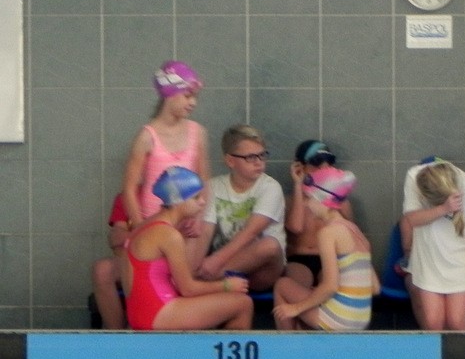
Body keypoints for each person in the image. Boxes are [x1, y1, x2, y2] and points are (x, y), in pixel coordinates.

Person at [123, 166, 252, 331]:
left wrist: (185, 237)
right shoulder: (168, 235)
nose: (202, 202)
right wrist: (226, 286)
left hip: (140, 313)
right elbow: (188, 289)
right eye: (196, 197)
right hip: (158, 311)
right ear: (178, 201)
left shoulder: (146, 226)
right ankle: (221, 350)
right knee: (243, 303)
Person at [272, 166, 378, 331]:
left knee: (282, 285)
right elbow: (375, 287)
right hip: (361, 320)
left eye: (309, 198)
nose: (307, 204)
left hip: (340, 320)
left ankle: (288, 344)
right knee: (312, 297)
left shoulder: (328, 232)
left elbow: (330, 286)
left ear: (323, 199)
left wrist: (295, 308)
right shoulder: (356, 232)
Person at [401, 158, 465, 330]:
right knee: (433, 322)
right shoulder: (414, 177)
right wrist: (443, 209)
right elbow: (412, 219)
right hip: (428, 261)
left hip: (459, 263)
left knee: (457, 321)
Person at [195, 124, 286, 292]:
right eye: (250, 157)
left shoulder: (270, 187)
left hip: (263, 269)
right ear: (230, 160)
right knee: (191, 231)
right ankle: (199, 279)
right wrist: (196, 260)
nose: (259, 162)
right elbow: (206, 230)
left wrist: (215, 262)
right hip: (227, 264)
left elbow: (251, 232)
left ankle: (202, 281)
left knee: (270, 245)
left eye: (262, 155)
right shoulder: (214, 187)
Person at [121, 60, 210, 230]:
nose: (193, 103)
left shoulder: (198, 133)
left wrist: (199, 218)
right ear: (169, 94)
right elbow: (129, 189)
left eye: (195, 97)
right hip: (154, 222)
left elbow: (204, 179)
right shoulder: (146, 137)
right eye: (187, 96)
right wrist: (140, 228)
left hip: (187, 223)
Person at [285, 139, 356, 287]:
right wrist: (298, 184)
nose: (323, 169)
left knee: (332, 285)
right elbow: (296, 227)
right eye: (316, 163)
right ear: (300, 167)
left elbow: (351, 237)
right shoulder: (291, 200)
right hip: (299, 258)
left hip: (330, 260)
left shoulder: (341, 202)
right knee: (297, 282)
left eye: (327, 163)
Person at [90, 194, 130, 329]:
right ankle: (116, 336)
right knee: (102, 270)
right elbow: (116, 239)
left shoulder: (178, 193)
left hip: (174, 262)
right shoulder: (128, 196)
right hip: (135, 262)